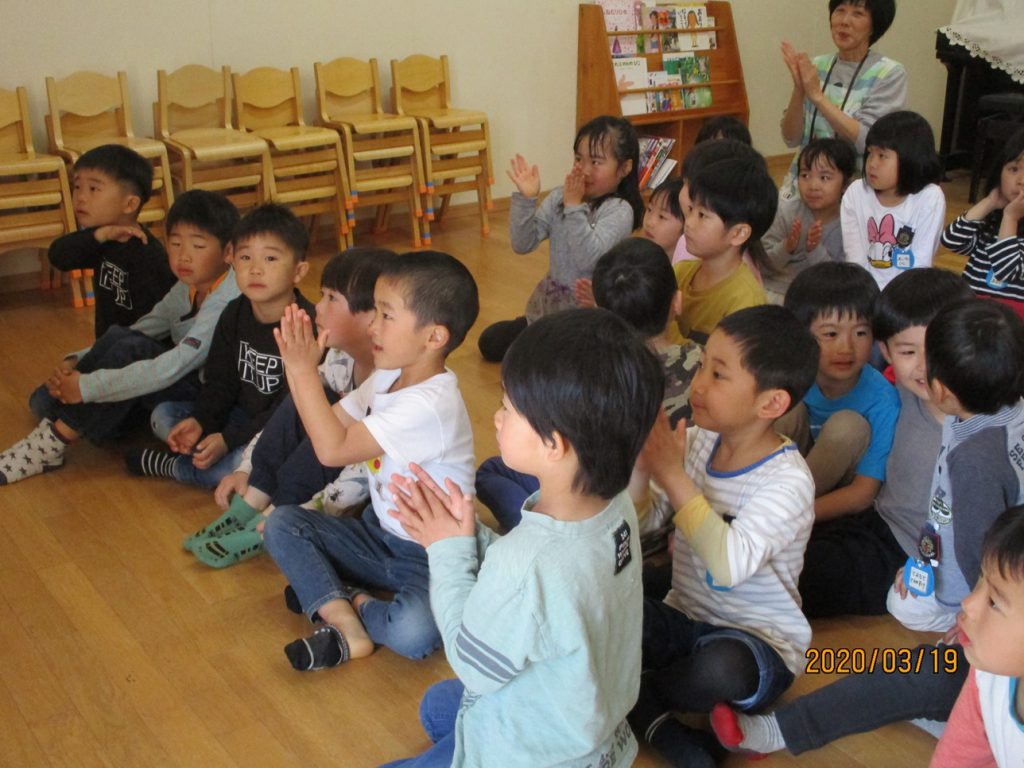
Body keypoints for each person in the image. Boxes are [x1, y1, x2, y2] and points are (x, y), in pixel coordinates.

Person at [381, 308, 665, 768]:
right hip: (589, 732)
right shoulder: (617, 508)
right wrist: (470, 536)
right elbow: (543, 592)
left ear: (555, 445)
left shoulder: (526, 563)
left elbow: (472, 664)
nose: (496, 419)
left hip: (529, 757)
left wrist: (446, 551)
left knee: (448, 705)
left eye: (508, 408)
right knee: (438, 706)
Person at [261, 251, 478, 669]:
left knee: (412, 632)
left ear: (434, 337)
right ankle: (347, 624)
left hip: (429, 552)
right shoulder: (389, 375)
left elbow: (333, 449)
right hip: (378, 532)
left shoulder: (429, 404)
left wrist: (303, 372)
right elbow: (331, 423)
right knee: (282, 524)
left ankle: (345, 598)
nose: (372, 326)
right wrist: (299, 369)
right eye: (374, 312)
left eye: (386, 315)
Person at [628, 305, 819, 768]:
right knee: (609, 608)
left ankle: (641, 701)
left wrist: (673, 474)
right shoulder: (698, 442)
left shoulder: (788, 482)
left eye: (718, 375)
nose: (697, 386)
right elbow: (645, 524)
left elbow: (729, 565)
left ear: (770, 404)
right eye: (702, 367)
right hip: (685, 615)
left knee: (724, 669)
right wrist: (640, 467)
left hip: (756, 641)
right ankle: (659, 719)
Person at [0, 190, 239, 485]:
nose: (183, 256)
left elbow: (175, 364)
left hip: (210, 397)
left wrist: (86, 387)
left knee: (131, 353)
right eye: (175, 243)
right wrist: (77, 360)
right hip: (180, 380)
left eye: (198, 246)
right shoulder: (187, 286)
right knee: (43, 401)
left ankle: (51, 444)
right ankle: (73, 419)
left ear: (228, 252)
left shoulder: (228, 299)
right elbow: (145, 326)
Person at [184, 247, 396, 568]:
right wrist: (246, 470)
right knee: (310, 396)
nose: (318, 308)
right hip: (329, 473)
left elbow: (360, 479)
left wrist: (287, 518)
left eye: (331, 298)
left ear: (373, 316)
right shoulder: (341, 358)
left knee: (325, 416)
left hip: (368, 498)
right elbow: (289, 413)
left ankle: (272, 513)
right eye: (321, 295)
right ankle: (254, 498)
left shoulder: (394, 386)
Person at [478, 238, 700, 532]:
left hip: (601, 506)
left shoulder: (594, 375)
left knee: (490, 471)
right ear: (677, 302)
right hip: (659, 512)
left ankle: (537, 525)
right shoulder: (702, 361)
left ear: (602, 313)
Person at [800, 268, 973, 618]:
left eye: (939, 349)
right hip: (872, 519)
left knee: (800, 578)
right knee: (779, 554)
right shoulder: (901, 395)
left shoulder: (986, 424)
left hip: (909, 554)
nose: (925, 367)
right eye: (908, 352)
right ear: (887, 351)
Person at [126, 204, 314, 491]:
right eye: (245, 257)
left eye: (270, 258)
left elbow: (288, 410)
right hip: (237, 416)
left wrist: (228, 440)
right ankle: (206, 459)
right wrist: (202, 421)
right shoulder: (234, 313)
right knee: (163, 416)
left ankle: (177, 467)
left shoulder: (305, 327)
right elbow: (220, 382)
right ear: (232, 260)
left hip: (275, 429)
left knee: (243, 464)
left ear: (298, 271)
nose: (255, 269)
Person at [887, 299, 1024, 633]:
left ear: (941, 390)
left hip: (980, 576)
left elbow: (977, 547)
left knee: (901, 605)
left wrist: (974, 616)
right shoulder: (1005, 409)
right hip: (981, 555)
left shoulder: (974, 459)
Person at [477, 115, 643, 362]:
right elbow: (523, 244)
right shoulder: (559, 197)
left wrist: (574, 207)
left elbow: (588, 258)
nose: (584, 169)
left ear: (625, 168)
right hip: (548, 310)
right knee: (491, 341)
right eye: (579, 159)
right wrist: (527, 199)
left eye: (596, 162)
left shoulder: (619, 211)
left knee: (559, 359)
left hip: (589, 320)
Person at [777, 261, 898, 530]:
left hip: (824, 503)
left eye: (861, 333)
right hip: (781, 483)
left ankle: (774, 508)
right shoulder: (794, 375)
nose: (846, 347)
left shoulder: (884, 400)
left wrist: (790, 518)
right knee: (787, 407)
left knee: (848, 426)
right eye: (831, 333)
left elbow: (862, 494)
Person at [779, 0, 905, 198]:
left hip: (852, 193)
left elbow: (867, 140)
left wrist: (817, 97)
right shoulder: (816, 66)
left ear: (875, 25)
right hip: (804, 187)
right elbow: (791, 138)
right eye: (840, 11)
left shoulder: (889, 73)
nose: (844, 21)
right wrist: (799, 90)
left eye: (857, 13)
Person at [48, 144, 175, 337]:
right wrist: (101, 235)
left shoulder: (148, 255)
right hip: (108, 345)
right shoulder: (101, 239)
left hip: (138, 349)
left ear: (129, 204)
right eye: (77, 187)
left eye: (93, 189)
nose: (80, 197)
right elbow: (58, 256)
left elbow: (159, 323)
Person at [931, 505, 1024, 768]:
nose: (968, 603)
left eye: (994, 601)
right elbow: (957, 758)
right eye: (981, 579)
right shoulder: (988, 673)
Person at [672, 153, 774, 345]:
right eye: (691, 209)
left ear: (738, 233)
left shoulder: (745, 302)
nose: (689, 222)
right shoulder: (680, 272)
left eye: (702, 215)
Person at [841, 110, 946, 290]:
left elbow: (920, 265)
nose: (872, 164)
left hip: (908, 293)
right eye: (870, 153)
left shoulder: (930, 197)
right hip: (864, 290)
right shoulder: (856, 192)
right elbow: (855, 260)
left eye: (882, 156)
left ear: (910, 158)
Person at [942, 126, 1024, 317]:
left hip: (1013, 323)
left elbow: (1006, 270)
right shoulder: (991, 224)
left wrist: (1010, 218)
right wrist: (989, 202)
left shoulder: (1008, 219)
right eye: (1013, 169)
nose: (1021, 180)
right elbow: (951, 241)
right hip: (972, 314)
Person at [764, 138, 856, 303]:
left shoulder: (849, 223)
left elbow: (838, 281)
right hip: (774, 289)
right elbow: (762, 266)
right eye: (805, 175)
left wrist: (814, 250)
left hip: (818, 299)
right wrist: (786, 247)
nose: (813, 186)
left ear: (845, 185)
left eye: (824, 178)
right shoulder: (785, 211)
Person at [574, 177, 685, 307]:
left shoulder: (682, 274)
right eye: (649, 210)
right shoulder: (637, 258)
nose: (649, 222)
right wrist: (599, 303)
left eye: (662, 217)